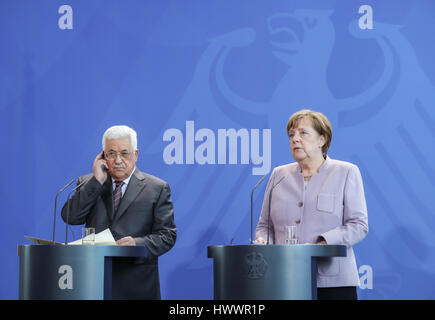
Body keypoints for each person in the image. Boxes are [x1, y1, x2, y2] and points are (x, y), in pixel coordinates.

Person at [255, 109, 368, 300]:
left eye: (303, 133)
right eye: (291, 135)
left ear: (322, 140)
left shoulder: (346, 172)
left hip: (333, 282)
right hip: (285, 279)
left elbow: (358, 225)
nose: (295, 139)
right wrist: (263, 242)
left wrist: (324, 242)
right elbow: (265, 226)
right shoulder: (278, 175)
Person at [61, 125, 176, 299]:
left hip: (137, 285)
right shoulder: (89, 183)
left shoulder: (157, 188)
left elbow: (167, 235)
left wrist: (137, 244)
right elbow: (70, 217)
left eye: (124, 153)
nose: (118, 160)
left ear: (135, 155)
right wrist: (96, 182)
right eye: (111, 153)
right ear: (102, 156)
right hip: (94, 283)